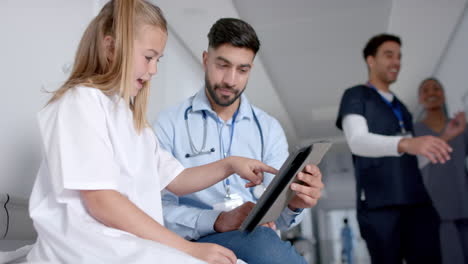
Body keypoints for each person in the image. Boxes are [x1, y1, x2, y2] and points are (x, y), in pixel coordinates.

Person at [26, 2, 277, 263]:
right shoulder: (81, 103)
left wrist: (230, 164)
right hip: (90, 248)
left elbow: (177, 180)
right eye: (148, 57)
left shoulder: (129, 118)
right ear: (112, 48)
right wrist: (187, 248)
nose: (154, 70)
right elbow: (102, 201)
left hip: (126, 245)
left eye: (158, 59)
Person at [153, 18, 324, 264]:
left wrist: (295, 203)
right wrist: (216, 220)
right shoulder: (169, 124)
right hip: (197, 240)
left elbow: (282, 220)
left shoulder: (268, 129)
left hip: (255, 238)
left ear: (250, 70)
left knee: (264, 241)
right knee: (264, 245)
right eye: (222, 66)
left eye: (242, 70)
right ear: (205, 60)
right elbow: (158, 209)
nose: (231, 80)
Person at [335, 33, 453, 264]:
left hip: (417, 202)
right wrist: (406, 143)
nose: (396, 62)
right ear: (371, 60)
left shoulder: (402, 107)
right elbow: (357, 141)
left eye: (399, 57)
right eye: (389, 55)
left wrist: (445, 138)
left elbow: (414, 156)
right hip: (380, 206)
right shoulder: (357, 95)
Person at [414, 78, 468, 264]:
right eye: (426, 90)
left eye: (436, 89)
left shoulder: (462, 128)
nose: (432, 93)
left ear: (443, 95)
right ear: (420, 99)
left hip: (463, 201)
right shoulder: (414, 132)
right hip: (434, 206)